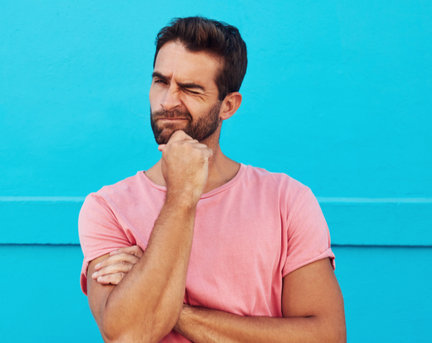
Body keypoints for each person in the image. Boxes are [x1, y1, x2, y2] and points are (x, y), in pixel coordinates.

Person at [78, 16, 346, 343]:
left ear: (228, 106)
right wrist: (181, 197)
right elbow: (129, 333)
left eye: (190, 89)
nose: (167, 102)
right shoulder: (107, 208)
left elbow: (326, 336)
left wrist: (170, 308)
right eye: (161, 82)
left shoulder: (287, 200)